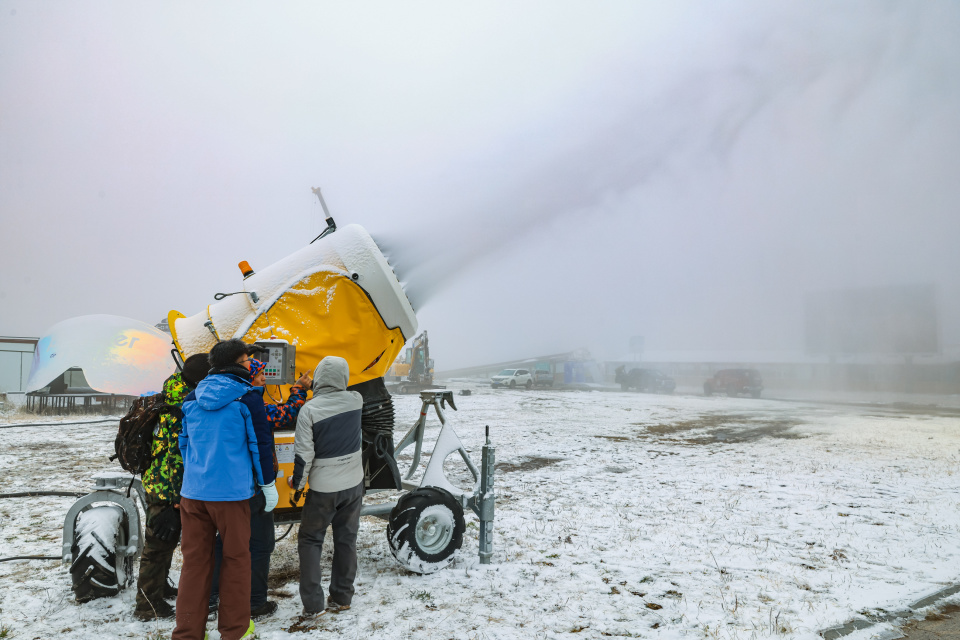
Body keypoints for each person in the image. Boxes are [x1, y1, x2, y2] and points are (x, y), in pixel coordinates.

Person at [172, 339, 279, 640]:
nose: (250, 365)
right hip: (231, 497)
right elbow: (259, 446)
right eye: (247, 360)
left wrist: (197, 472)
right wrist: (267, 484)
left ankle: (187, 633)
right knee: (236, 560)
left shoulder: (191, 399)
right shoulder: (247, 399)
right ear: (236, 363)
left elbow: (185, 443)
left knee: (195, 564)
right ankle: (235, 631)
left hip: (193, 494)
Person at [208, 358, 313, 621]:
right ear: (249, 377)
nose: (265, 377)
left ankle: (211, 597)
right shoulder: (253, 405)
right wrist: (299, 389)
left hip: (221, 486)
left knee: (221, 541)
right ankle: (255, 603)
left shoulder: (210, 401)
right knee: (260, 543)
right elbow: (286, 414)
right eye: (260, 373)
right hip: (252, 486)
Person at [133, 353, 210, 621]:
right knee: (158, 544)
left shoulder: (172, 388)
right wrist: (177, 496)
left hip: (157, 479)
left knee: (164, 540)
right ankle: (147, 606)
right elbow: (175, 455)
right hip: (166, 485)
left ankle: (159, 587)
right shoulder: (181, 406)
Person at [288, 356, 364, 621]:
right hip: (353, 484)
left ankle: (313, 604)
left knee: (311, 540)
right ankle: (342, 597)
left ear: (318, 378)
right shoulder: (356, 400)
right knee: (346, 538)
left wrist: (296, 487)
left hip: (324, 489)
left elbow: (303, 455)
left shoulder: (309, 410)